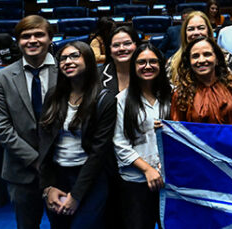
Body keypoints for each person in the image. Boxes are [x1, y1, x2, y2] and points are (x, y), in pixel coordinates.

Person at [38, 41, 116, 229]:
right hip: (59, 176)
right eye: (63, 58)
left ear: (88, 60)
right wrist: (47, 187)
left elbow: (99, 152)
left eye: (74, 56)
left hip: (90, 178)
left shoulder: (104, 99)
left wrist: (77, 195)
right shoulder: (53, 96)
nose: (68, 61)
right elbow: (44, 144)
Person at [0, 15, 58, 228]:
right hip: (21, 171)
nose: (32, 40)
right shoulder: (1, 78)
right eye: (25, 36)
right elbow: (2, 128)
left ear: (50, 39)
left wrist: (51, 163)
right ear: (18, 42)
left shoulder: (66, 71)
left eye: (39, 34)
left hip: (62, 167)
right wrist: (36, 161)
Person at [113, 43, 172, 229]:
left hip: (170, 178)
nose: (147, 66)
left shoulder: (173, 93)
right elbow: (119, 143)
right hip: (136, 181)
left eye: (153, 61)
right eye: (141, 62)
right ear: (134, 66)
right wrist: (148, 170)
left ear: (161, 65)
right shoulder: (122, 100)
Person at [171, 37, 232, 124]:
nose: (201, 60)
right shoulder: (181, 95)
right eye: (195, 56)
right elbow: (177, 131)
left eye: (207, 54)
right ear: (189, 62)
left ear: (217, 59)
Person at [169, 11, 232, 81]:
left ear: (208, 31)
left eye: (201, 28)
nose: (196, 33)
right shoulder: (173, 62)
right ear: (185, 33)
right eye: (191, 29)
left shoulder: (226, 58)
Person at [99, 26, 141, 94]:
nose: (121, 48)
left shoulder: (149, 73)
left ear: (137, 46)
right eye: (116, 45)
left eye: (127, 43)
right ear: (109, 50)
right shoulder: (97, 76)